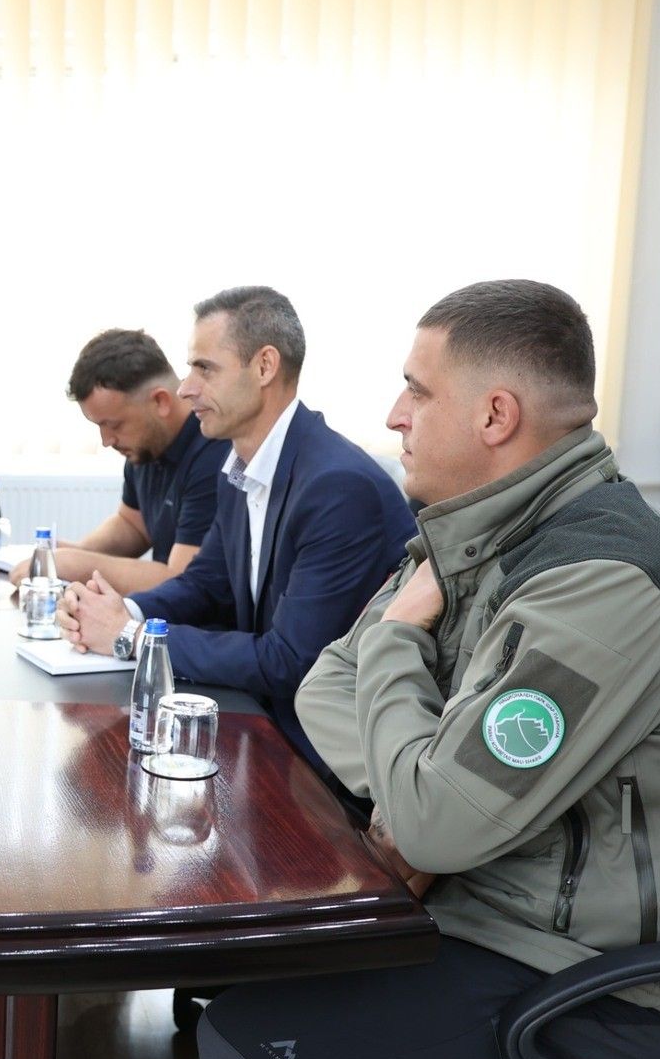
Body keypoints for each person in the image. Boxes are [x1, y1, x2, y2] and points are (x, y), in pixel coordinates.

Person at [195, 281, 660, 1059]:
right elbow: (324, 686)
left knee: (245, 1054)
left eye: (415, 389)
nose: (394, 414)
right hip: (524, 912)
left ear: (494, 415)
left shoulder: (603, 581)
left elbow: (432, 818)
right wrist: (424, 776)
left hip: (640, 981)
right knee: (267, 967)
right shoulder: (478, 531)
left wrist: (407, 683)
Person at [59, 287, 412, 766]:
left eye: (204, 369)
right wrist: (121, 612)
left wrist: (133, 637)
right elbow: (206, 585)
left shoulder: (337, 486)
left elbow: (291, 661)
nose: (186, 388)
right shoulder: (240, 470)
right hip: (259, 723)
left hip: (322, 761)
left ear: (264, 367)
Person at [8, 327, 225, 590]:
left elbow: (183, 581)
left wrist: (77, 565)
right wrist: (75, 551)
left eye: (114, 424)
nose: (106, 440)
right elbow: (133, 525)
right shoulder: (146, 444)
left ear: (160, 401)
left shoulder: (213, 451)